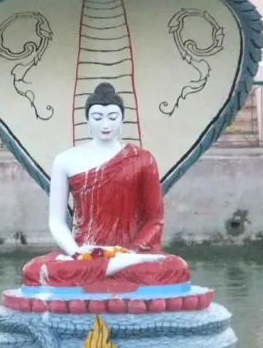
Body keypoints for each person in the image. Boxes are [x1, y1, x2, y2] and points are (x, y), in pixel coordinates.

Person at [21, 83, 189, 291]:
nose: (105, 124)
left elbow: (154, 219)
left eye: (112, 117)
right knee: (34, 270)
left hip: (130, 255)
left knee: (176, 268)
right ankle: (109, 267)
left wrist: (132, 252)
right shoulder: (66, 160)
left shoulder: (143, 159)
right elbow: (56, 221)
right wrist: (76, 252)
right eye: (98, 117)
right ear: (88, 120)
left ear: (122, 120)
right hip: (86, 254)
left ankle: (113, 266)